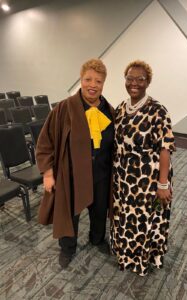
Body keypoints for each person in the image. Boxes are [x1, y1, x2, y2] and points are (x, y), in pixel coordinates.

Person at [36, 58, 114, 268]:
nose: (92, 85)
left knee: (99, 210)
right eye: (88, 79)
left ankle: (97, 239)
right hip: (72, 175)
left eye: (98, 81)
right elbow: (45, 142)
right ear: (81, 80)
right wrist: (48, 173)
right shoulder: (64, 108)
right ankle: (68, 248)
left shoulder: (109, 110)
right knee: (70, 214)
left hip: (101, 173)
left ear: (103, 84)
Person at [110, 60, 175, 276]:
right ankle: (126, 255)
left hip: (148, 179)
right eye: (129, 78)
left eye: (140, 79)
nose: (134, 83)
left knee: (146, 219)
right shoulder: (120, 108)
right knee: (126, 217)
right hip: (123, 177)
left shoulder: (158, 110)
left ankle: (143, 259)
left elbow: (166, 148)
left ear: (148, 82)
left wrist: (163, 183)